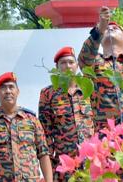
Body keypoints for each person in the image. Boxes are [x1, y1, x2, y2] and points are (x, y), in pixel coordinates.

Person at [78, 6, 123, 140]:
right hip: (108, 138)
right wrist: (100, 30)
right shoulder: (95, 62)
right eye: (108, 28)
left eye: (116, 28)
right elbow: (84, 59)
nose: (110, 28)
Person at [0, 72, 53, 182]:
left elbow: (43, 154)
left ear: (17, 92)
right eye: (3, 88)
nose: (8, 91)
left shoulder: (31, 119)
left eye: (11, 87)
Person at [39, 46, 94, 182]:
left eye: (71, 62)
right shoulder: (48, 94)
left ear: (76, 65)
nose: (67, 66)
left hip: (91, 161)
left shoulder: (88, 89)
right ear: (57, 68)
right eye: (63, 63)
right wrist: (51, 166)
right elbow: (45, 132)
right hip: (65, 163)